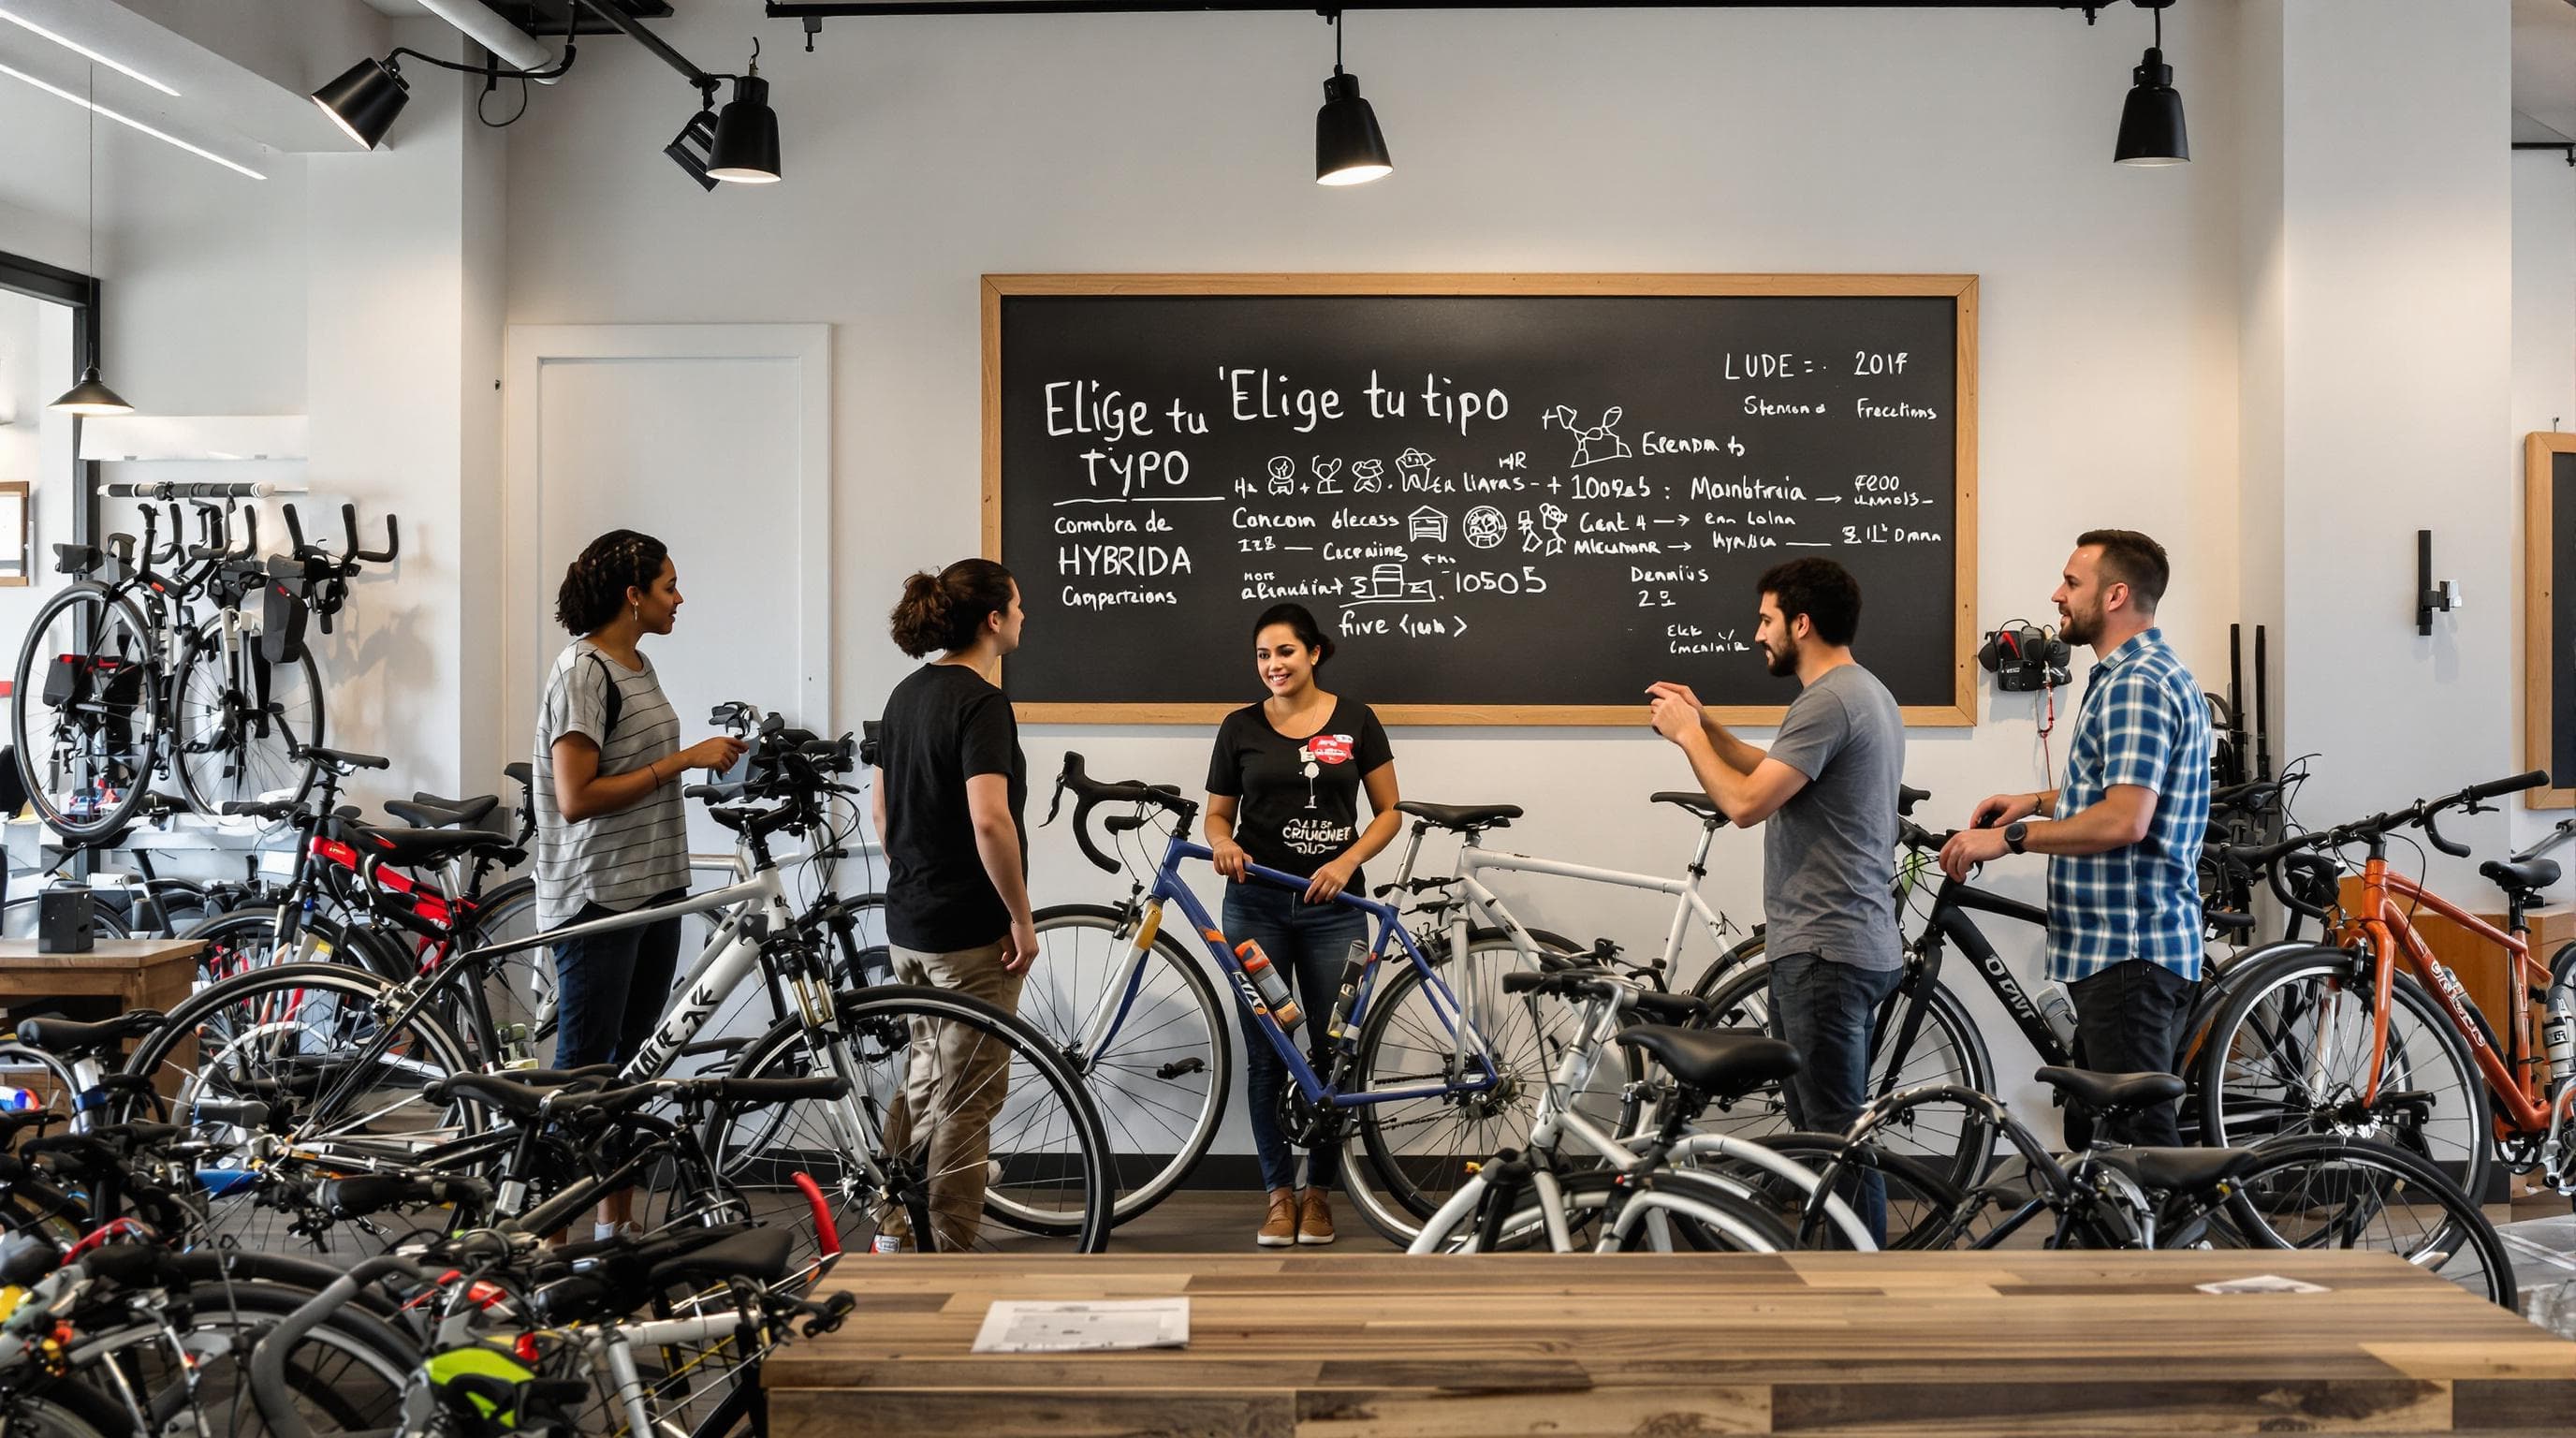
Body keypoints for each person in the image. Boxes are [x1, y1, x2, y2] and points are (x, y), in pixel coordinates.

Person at [1647, 557, 1906, 1240]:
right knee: (1826, 1131)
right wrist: (1707, 724)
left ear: (1802, 623)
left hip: (1826, 951)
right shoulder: (1862, 692)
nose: (1757, 634)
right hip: (1843, 943)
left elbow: (1743, 804)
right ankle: (1840, 1272)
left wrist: (1686, 735)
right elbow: (1771, 770)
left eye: (1766, 620)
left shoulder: (1828, 700)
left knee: (1836, 1136)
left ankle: (1863, 1284)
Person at [1939, 530, 2213, 1147]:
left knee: (2142, 1149)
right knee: (2104, 1138)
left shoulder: (2137, 685)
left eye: (2071, 582)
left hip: (2129, 952)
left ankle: (2174, 1217)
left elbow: (2124, 820)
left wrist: (2013, 838)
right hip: (2128, 951)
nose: (2056, 595)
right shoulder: (2138, 675)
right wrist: (2035, 800)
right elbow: (2121, 789)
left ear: (2115, 596)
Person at [534, 529, 746, 1240]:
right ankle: (546, 1245)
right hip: (599, 895)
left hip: (654, 886)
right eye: (669, 586)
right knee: (583, 1075)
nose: (679, 598)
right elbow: (576, 797)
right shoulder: (582, 672)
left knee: (629, 1071)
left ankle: (614, 1231)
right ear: (633, 595)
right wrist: (683, 760)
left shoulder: (638, 664)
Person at [1204, 602, 1398, 1247]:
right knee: (1267, 1055)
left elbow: (1390, 811)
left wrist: (1347, 861)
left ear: (1314, 653)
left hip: (1335, 913)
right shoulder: (1238, 727)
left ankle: (1319, 1195)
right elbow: (1216, 816)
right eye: (1263, 655)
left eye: (1284, 651)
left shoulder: (1357, 720)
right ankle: (1277, 1196)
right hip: (1254, 908)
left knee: (1332, 1055)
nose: (1273, 665)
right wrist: (1223, 842)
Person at [871, 558, 1034, 1253]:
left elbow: (881, 814)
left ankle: (893, 1228)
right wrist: (1020, 917)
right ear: (993, 620)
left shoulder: (905, 694)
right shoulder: (982, 703)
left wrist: (918, 877)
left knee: (922, 1078)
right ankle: (949, 1255)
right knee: (966, 1098)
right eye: (1017, 606)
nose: (1024, 616)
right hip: (969, 934)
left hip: (908, 925)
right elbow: (990, 820)